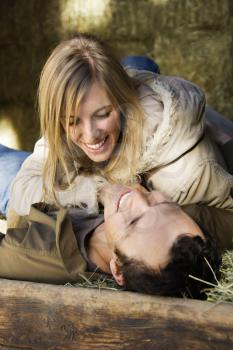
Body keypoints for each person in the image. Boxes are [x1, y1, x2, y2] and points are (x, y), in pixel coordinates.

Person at [6, 33, 233, 224]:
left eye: (103, 114)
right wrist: (97, 191)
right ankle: (135, 65)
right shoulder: (69, 116)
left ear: (122, 102)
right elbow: (22, 191)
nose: (90, 134)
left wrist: (175, 216)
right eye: (73, 121)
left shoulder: (186, 174)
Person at [1, 183, 231, 299]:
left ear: (118, 268)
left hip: (14, 194)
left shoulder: (31, 256)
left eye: (132, 222)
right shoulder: (184, 225)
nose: (138, 195)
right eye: (165, 205)